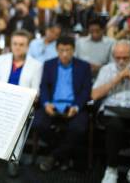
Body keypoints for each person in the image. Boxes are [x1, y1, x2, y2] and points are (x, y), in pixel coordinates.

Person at [34, 36, 92, 172]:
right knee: (37, 123)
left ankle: (54, 156)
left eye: (68, 50)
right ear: (56, 50)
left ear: (73, 50)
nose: (64, 54)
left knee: (79, 128)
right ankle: (64, 155)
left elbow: (86, 91)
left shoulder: (83, 66)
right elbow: (44, 87)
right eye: (61, 50)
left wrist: (77, 107)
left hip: (73, 105)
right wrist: (46, 103)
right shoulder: (49, 64)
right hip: (53, 104)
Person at [0, 29, 43, 176]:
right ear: (10, 44)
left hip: (21, 105)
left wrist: (19, 99)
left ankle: (13, 159)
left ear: (27, 46)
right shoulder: (2, 60)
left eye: (21, 44)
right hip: (0, 100)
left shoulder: (36, 65)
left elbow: (36, 92)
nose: (18, 47)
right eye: (15, 44)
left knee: (18, 120)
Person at [92, 40, 130, 183]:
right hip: (111, 111)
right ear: (113, 56)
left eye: (125, 58)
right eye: (118, 58)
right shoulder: (106, 69)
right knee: (115, 125)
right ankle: (112, 168)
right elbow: (94, 95)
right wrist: (116, 79)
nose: (121, 61)